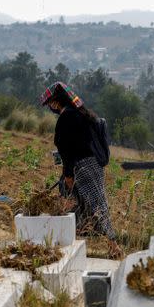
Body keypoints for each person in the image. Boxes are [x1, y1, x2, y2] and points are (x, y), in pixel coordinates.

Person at [38, 82, 122, 257]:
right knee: (84, 204)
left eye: (50, 103)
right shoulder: (82, 114)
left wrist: (68, 174)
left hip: (81, 169)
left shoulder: (66, 118)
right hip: (94, 166)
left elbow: (67, 150)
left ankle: (113, 246)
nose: (50, 107)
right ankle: (69, 242)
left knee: (90, 205)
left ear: (57, 101)